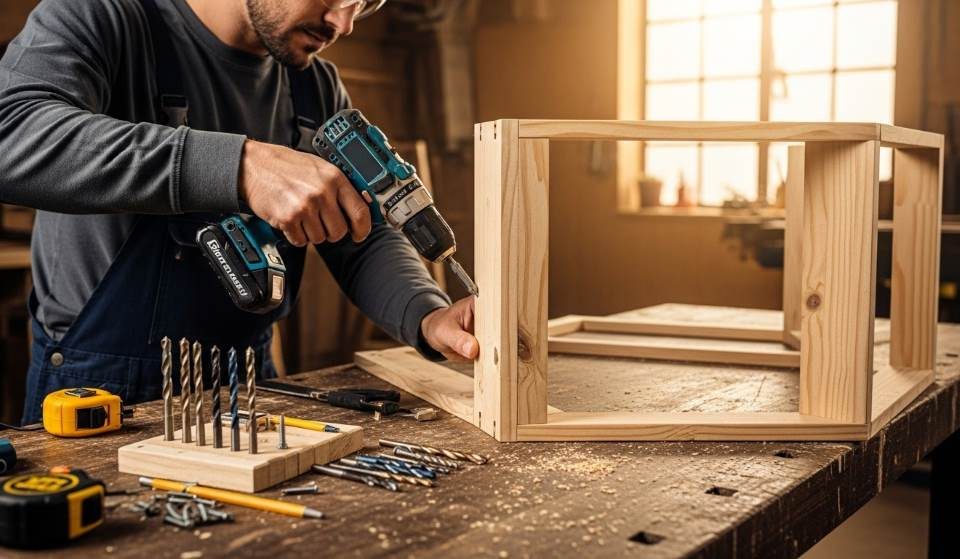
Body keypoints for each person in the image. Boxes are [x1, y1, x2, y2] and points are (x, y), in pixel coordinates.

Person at [0, 0, 478, 425]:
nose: (344, 22)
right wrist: (241, 166)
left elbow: (360, 230)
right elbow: (11, 135)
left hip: (248, 386)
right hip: (100, 393)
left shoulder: (313, 87)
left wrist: (427, 316)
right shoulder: (103, 15)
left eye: (365, 4)